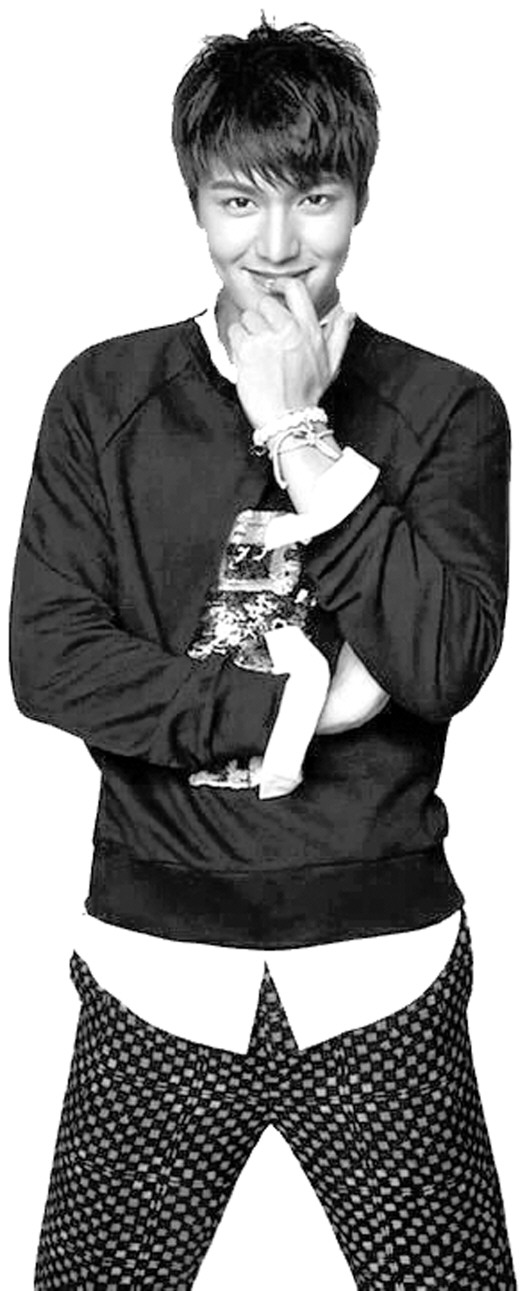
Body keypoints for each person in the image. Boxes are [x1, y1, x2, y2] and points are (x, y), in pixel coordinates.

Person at [10, 16, 516, 1290]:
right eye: (240, 202)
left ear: (361, 200)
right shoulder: (103, 395)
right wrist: (297, 709)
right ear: (194, 201)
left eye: (314, 199)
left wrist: (300, 434)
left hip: (379, 970)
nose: (278, 245)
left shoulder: (445, 408)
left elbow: (442, 660)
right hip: (156, 969)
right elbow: (51, 660)